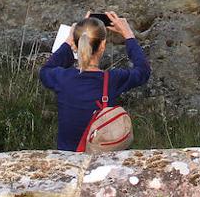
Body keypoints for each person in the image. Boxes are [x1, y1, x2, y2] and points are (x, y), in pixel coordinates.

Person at [39, 11, 150, 151]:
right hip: (100, 158)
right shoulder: (112, 80)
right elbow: (143, 71)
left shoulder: (62, 78)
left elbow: (45, 70)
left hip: (68, 157)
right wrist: (128, 34)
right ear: (103, 45)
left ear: (77, 43)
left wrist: (68, 42)